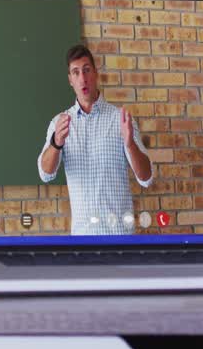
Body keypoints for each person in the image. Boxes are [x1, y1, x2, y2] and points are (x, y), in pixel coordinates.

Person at [37, 44, 153, 235]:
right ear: (70, 80)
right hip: (83, 239)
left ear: (95, 73)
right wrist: (56, 143)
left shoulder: (120, 119)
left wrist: (130, 143)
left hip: (119, 237)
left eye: (86, 70)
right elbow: (45, 173)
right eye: (76, 73)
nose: (82, 78)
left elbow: (146, 178)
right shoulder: (60, 123)